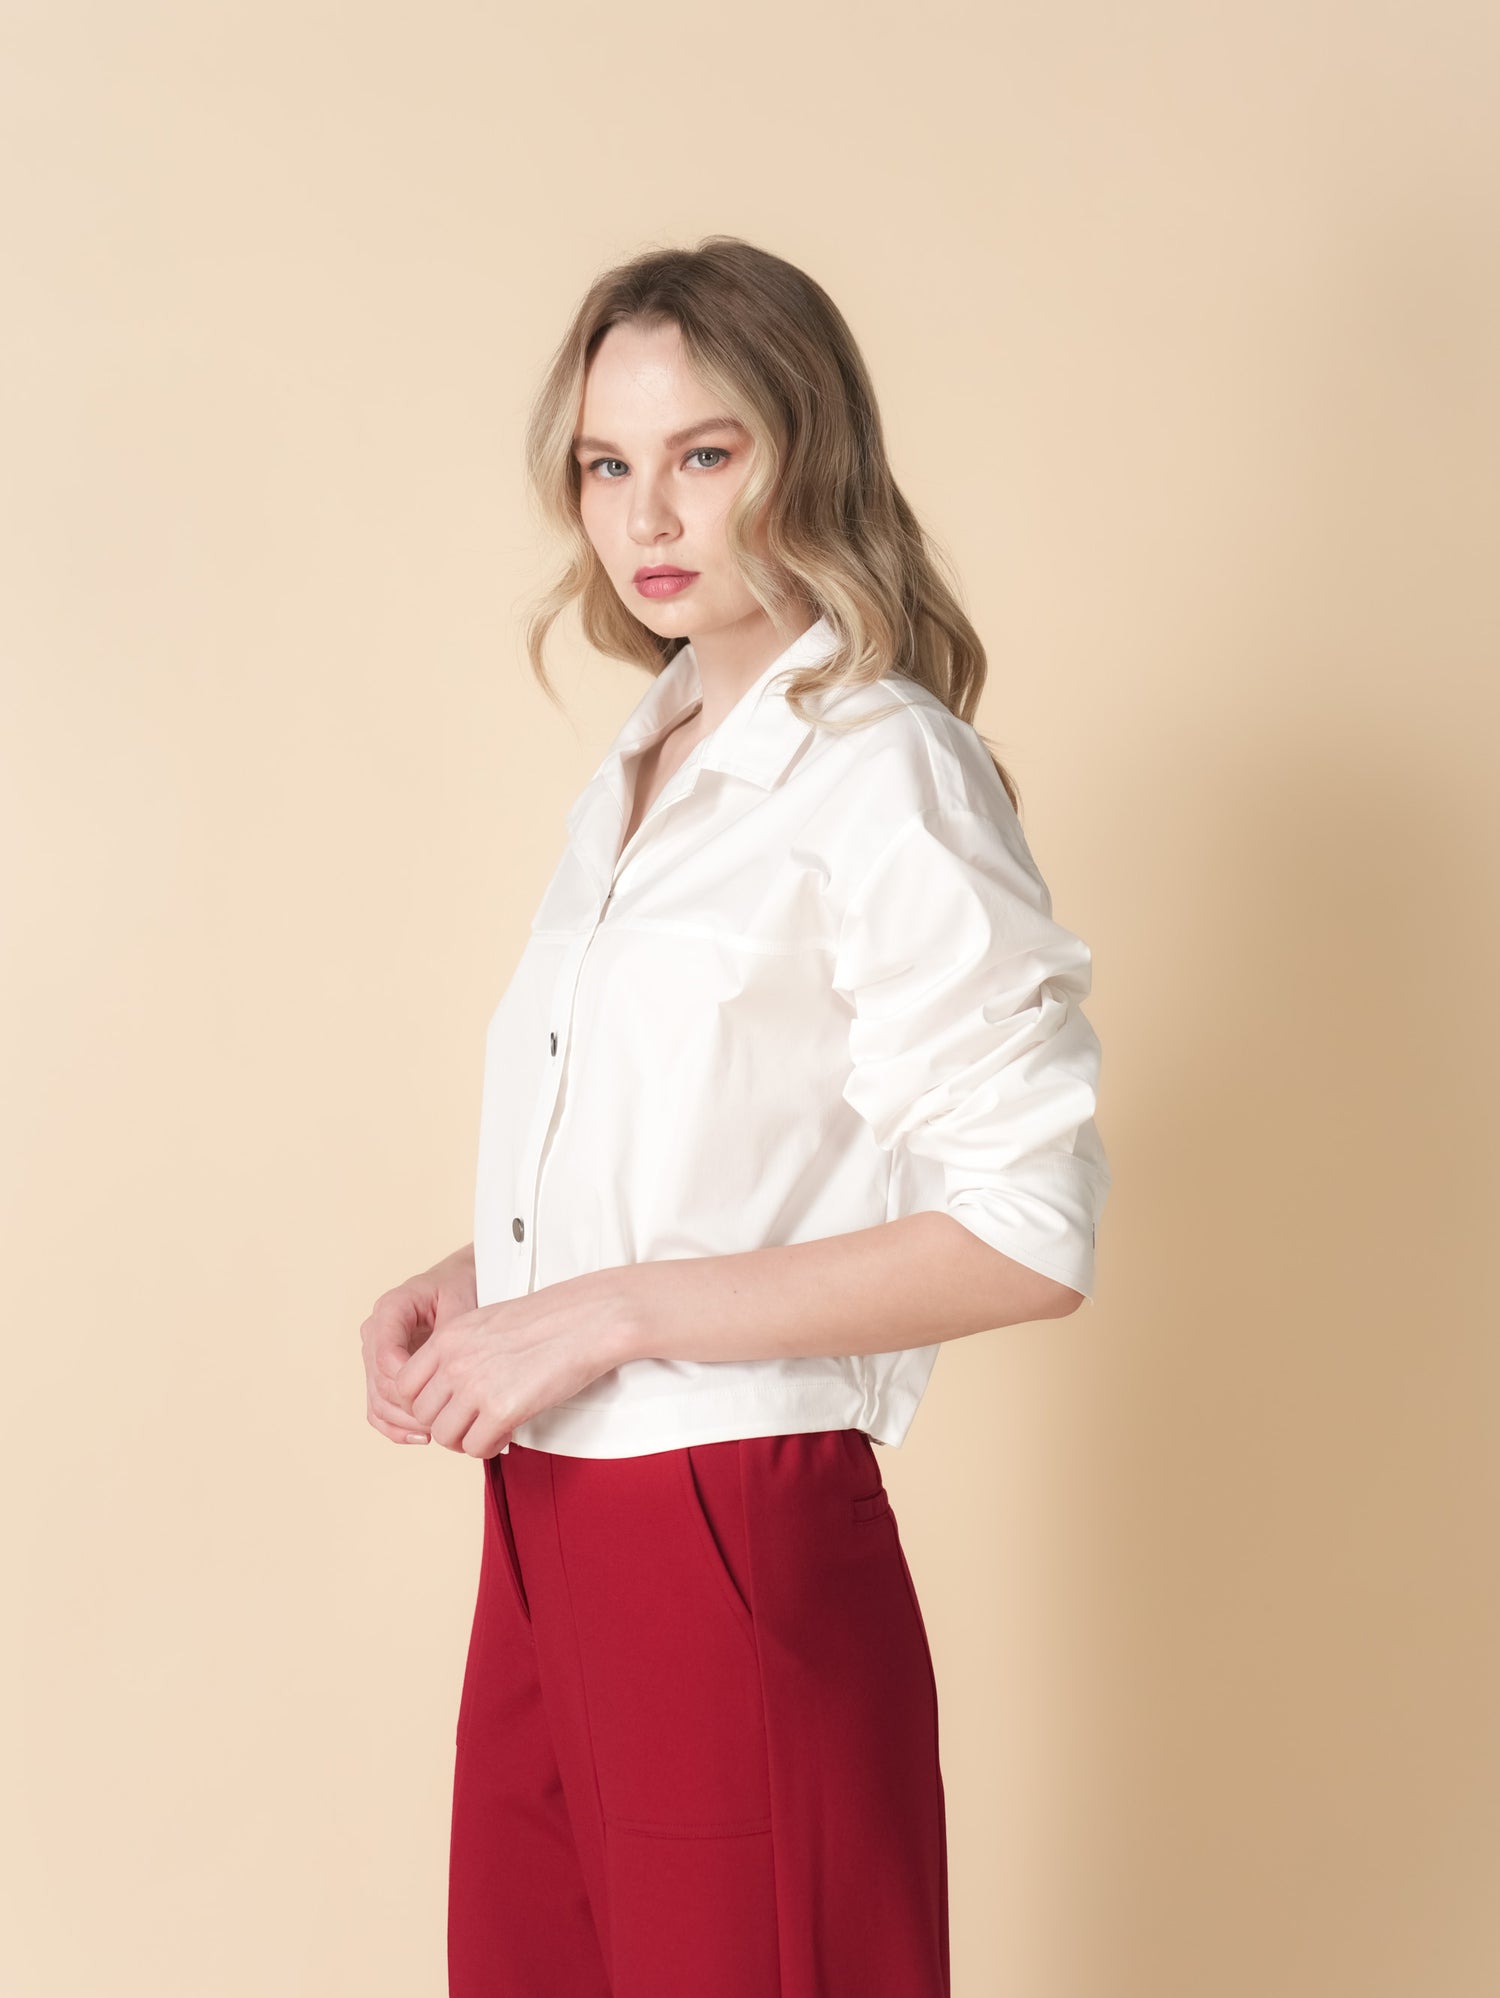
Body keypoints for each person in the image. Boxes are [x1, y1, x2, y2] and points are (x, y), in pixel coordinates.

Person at [358, 235, 1112, 1998]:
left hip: (727, 1522)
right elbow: (717, 1139)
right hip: (545, 1520)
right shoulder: (642, 761)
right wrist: (494, 1276)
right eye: (606, 464)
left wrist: (605, 1311)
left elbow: (1027, 1231)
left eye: (704, 453)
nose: (648, 515)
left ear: (806, 450)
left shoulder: (883, 767)